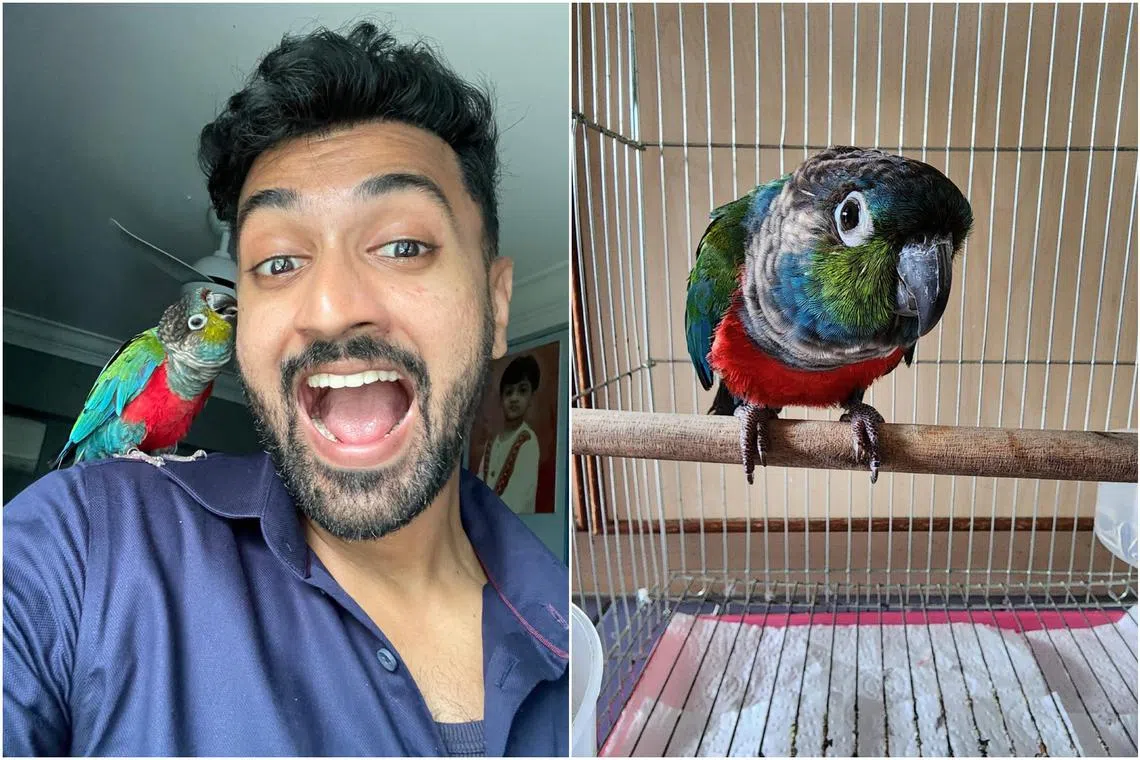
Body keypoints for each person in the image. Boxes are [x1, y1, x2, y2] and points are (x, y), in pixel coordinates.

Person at [3, 21, 568, 757]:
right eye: (275, 262)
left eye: (402, 245)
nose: (330, 307)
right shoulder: (77, 544)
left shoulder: (573, 624)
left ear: (496, 309)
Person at [478, 356, 541, 514]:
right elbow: (479, 483)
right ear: (501, 399)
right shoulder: (492, 442)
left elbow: (515, 501)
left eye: (522, 391)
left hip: (514, 525)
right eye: (508, 392)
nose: (514, 398)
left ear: (531, 397)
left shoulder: (528, 442)